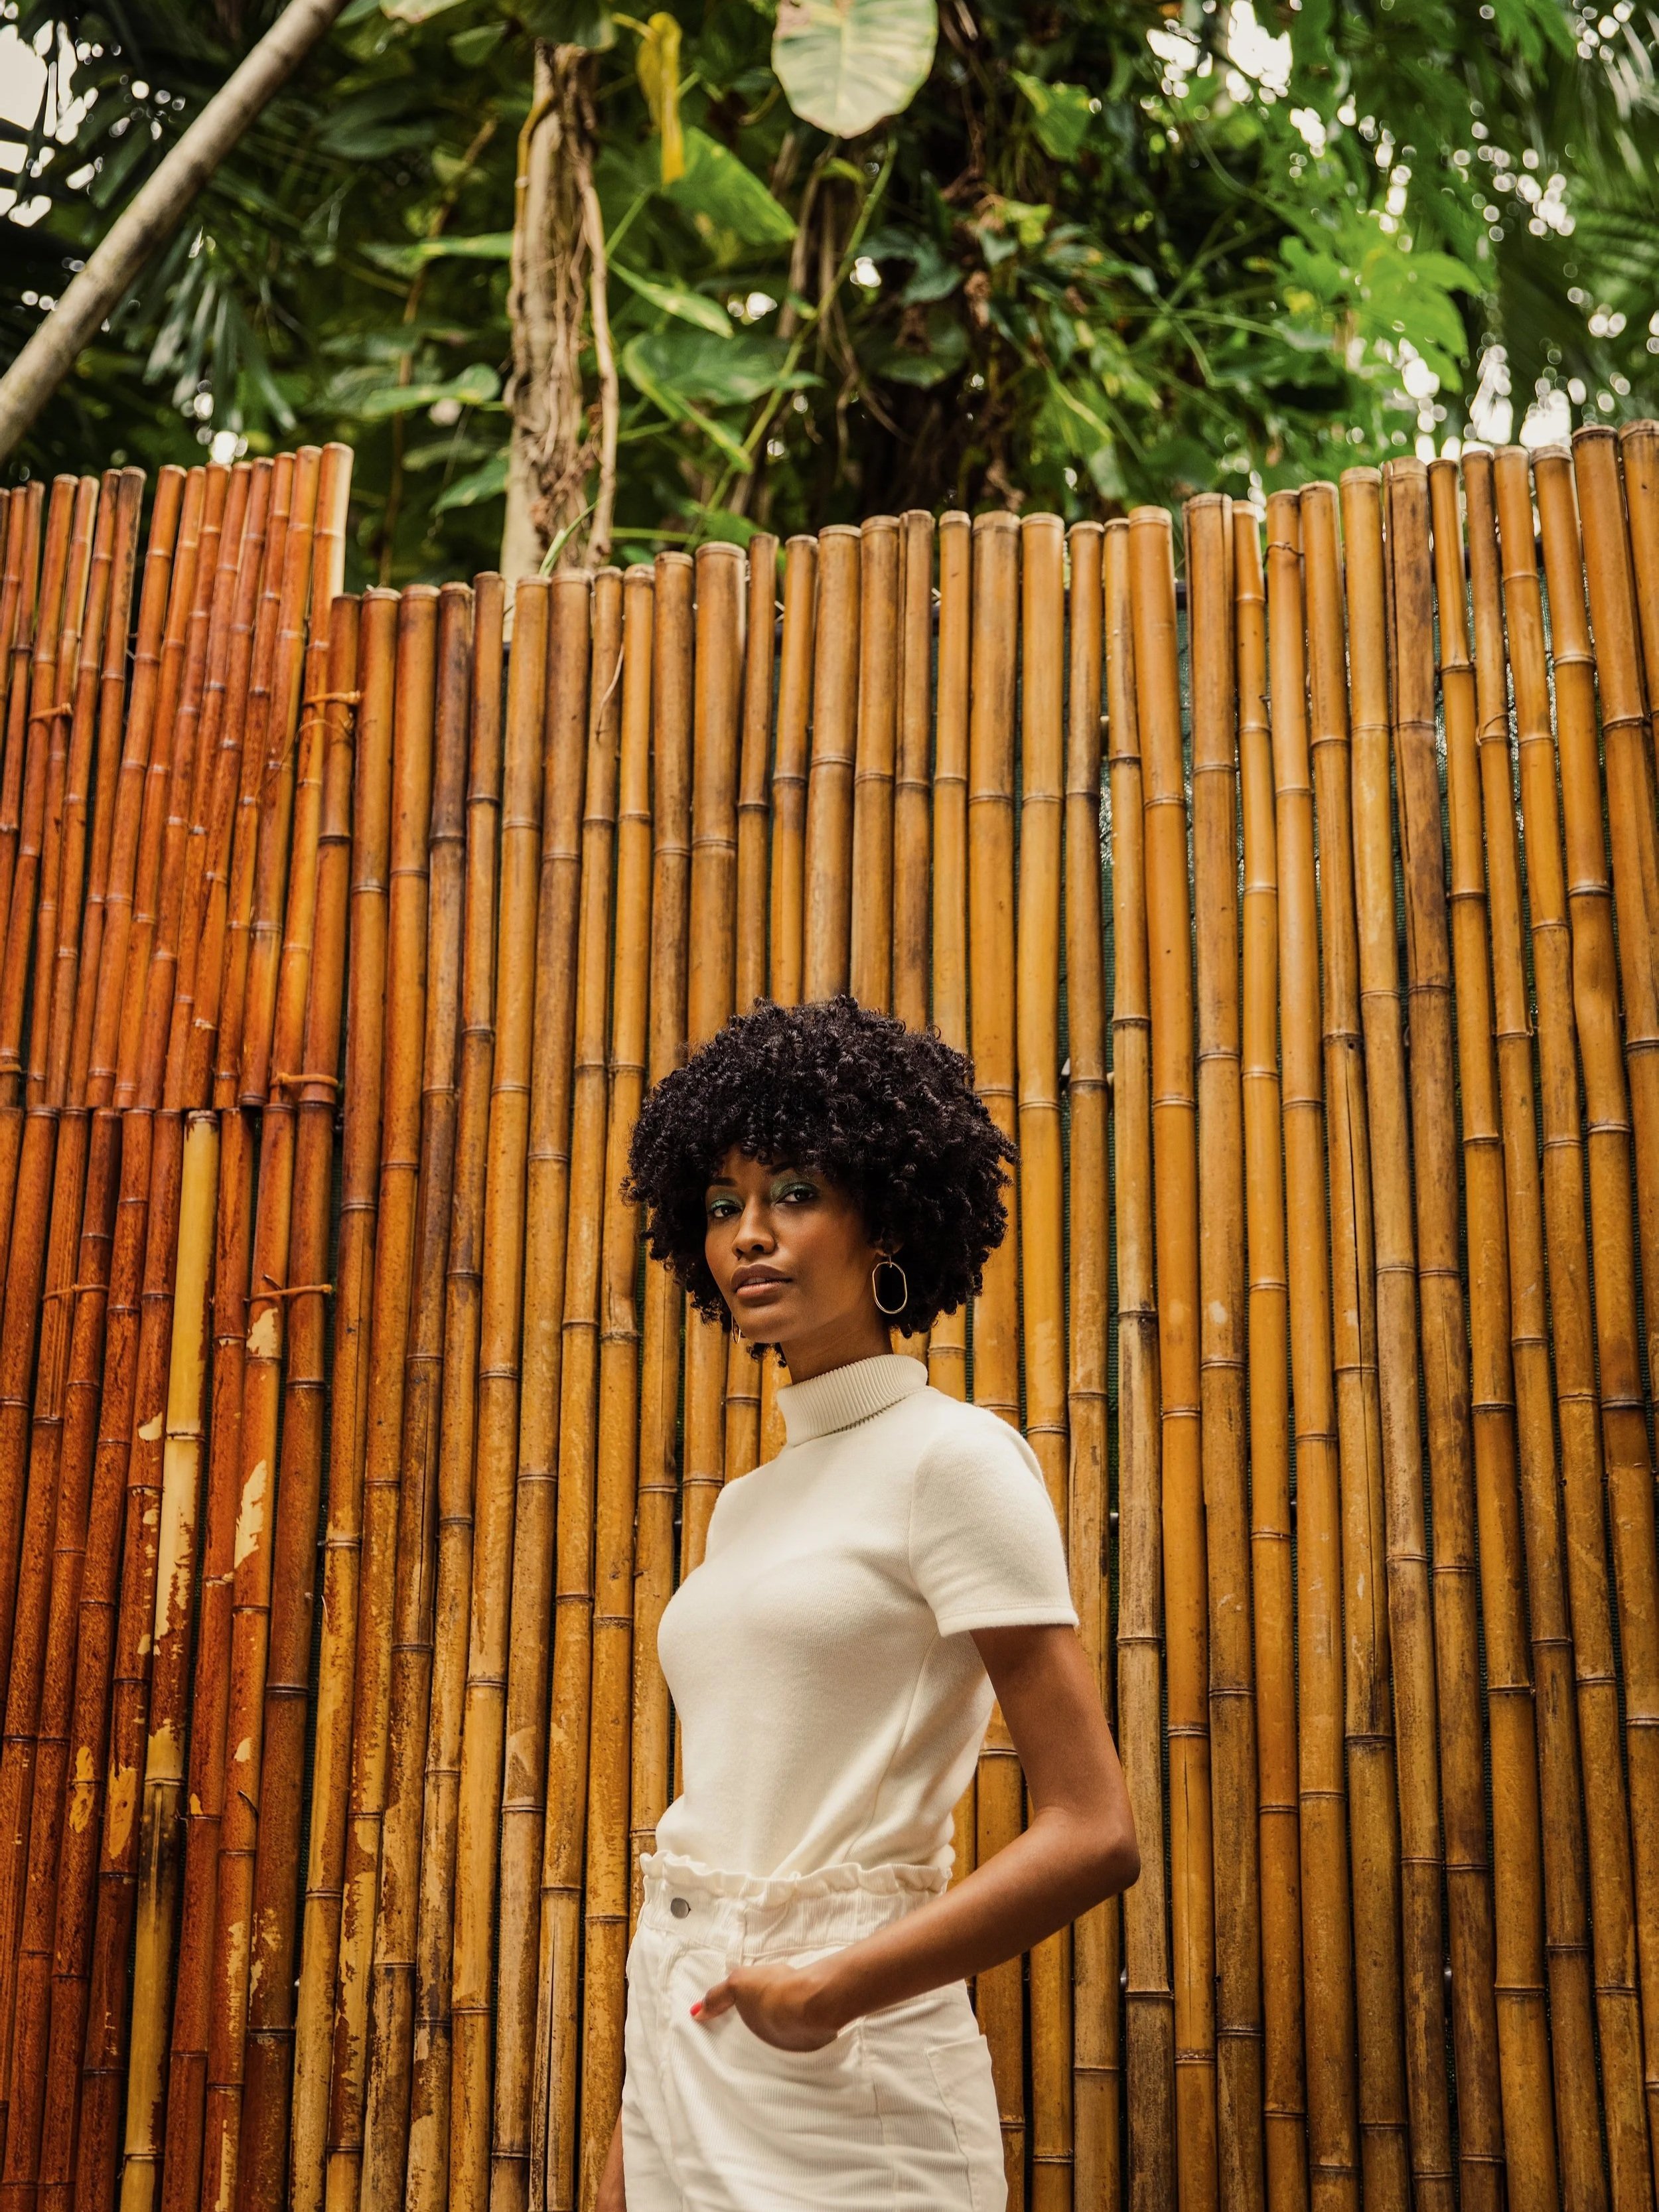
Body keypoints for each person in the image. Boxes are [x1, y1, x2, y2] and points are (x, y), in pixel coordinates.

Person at [597, 993, 1138, 2211]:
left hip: (845, 2072)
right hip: (681, 2029)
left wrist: (833, 1985)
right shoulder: (747, 1505)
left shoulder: (956, 1459)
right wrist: (643, 2113)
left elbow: (1094, 1829)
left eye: (794, 1191)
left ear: (885, 1214)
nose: (751, 1234)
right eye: (724, 1203)